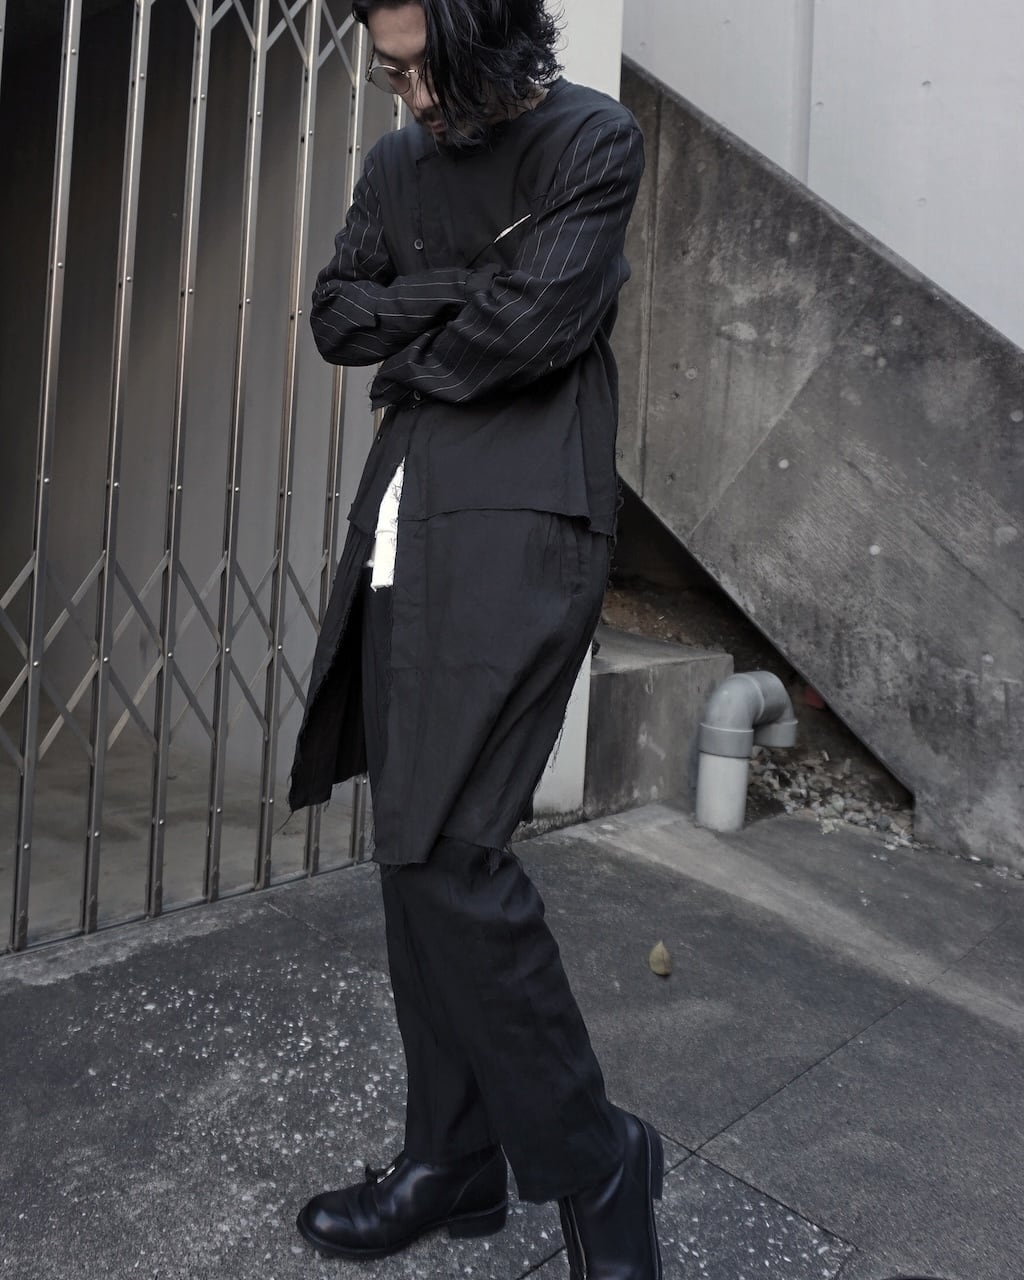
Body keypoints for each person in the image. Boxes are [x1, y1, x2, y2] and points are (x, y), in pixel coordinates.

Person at [288, 0, 658, 1273]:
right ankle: (450, 1159)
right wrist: (461, 293)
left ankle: (596, 1155)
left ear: (486, 30)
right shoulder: (397, 163)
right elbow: (337, 316)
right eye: (389, 73)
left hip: (525, 519)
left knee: (449, 846)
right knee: (410, 847)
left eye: (420, 69)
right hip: (404, 523)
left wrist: (423, 330)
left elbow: (537, 327)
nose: (407, 95)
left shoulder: (591, 142)